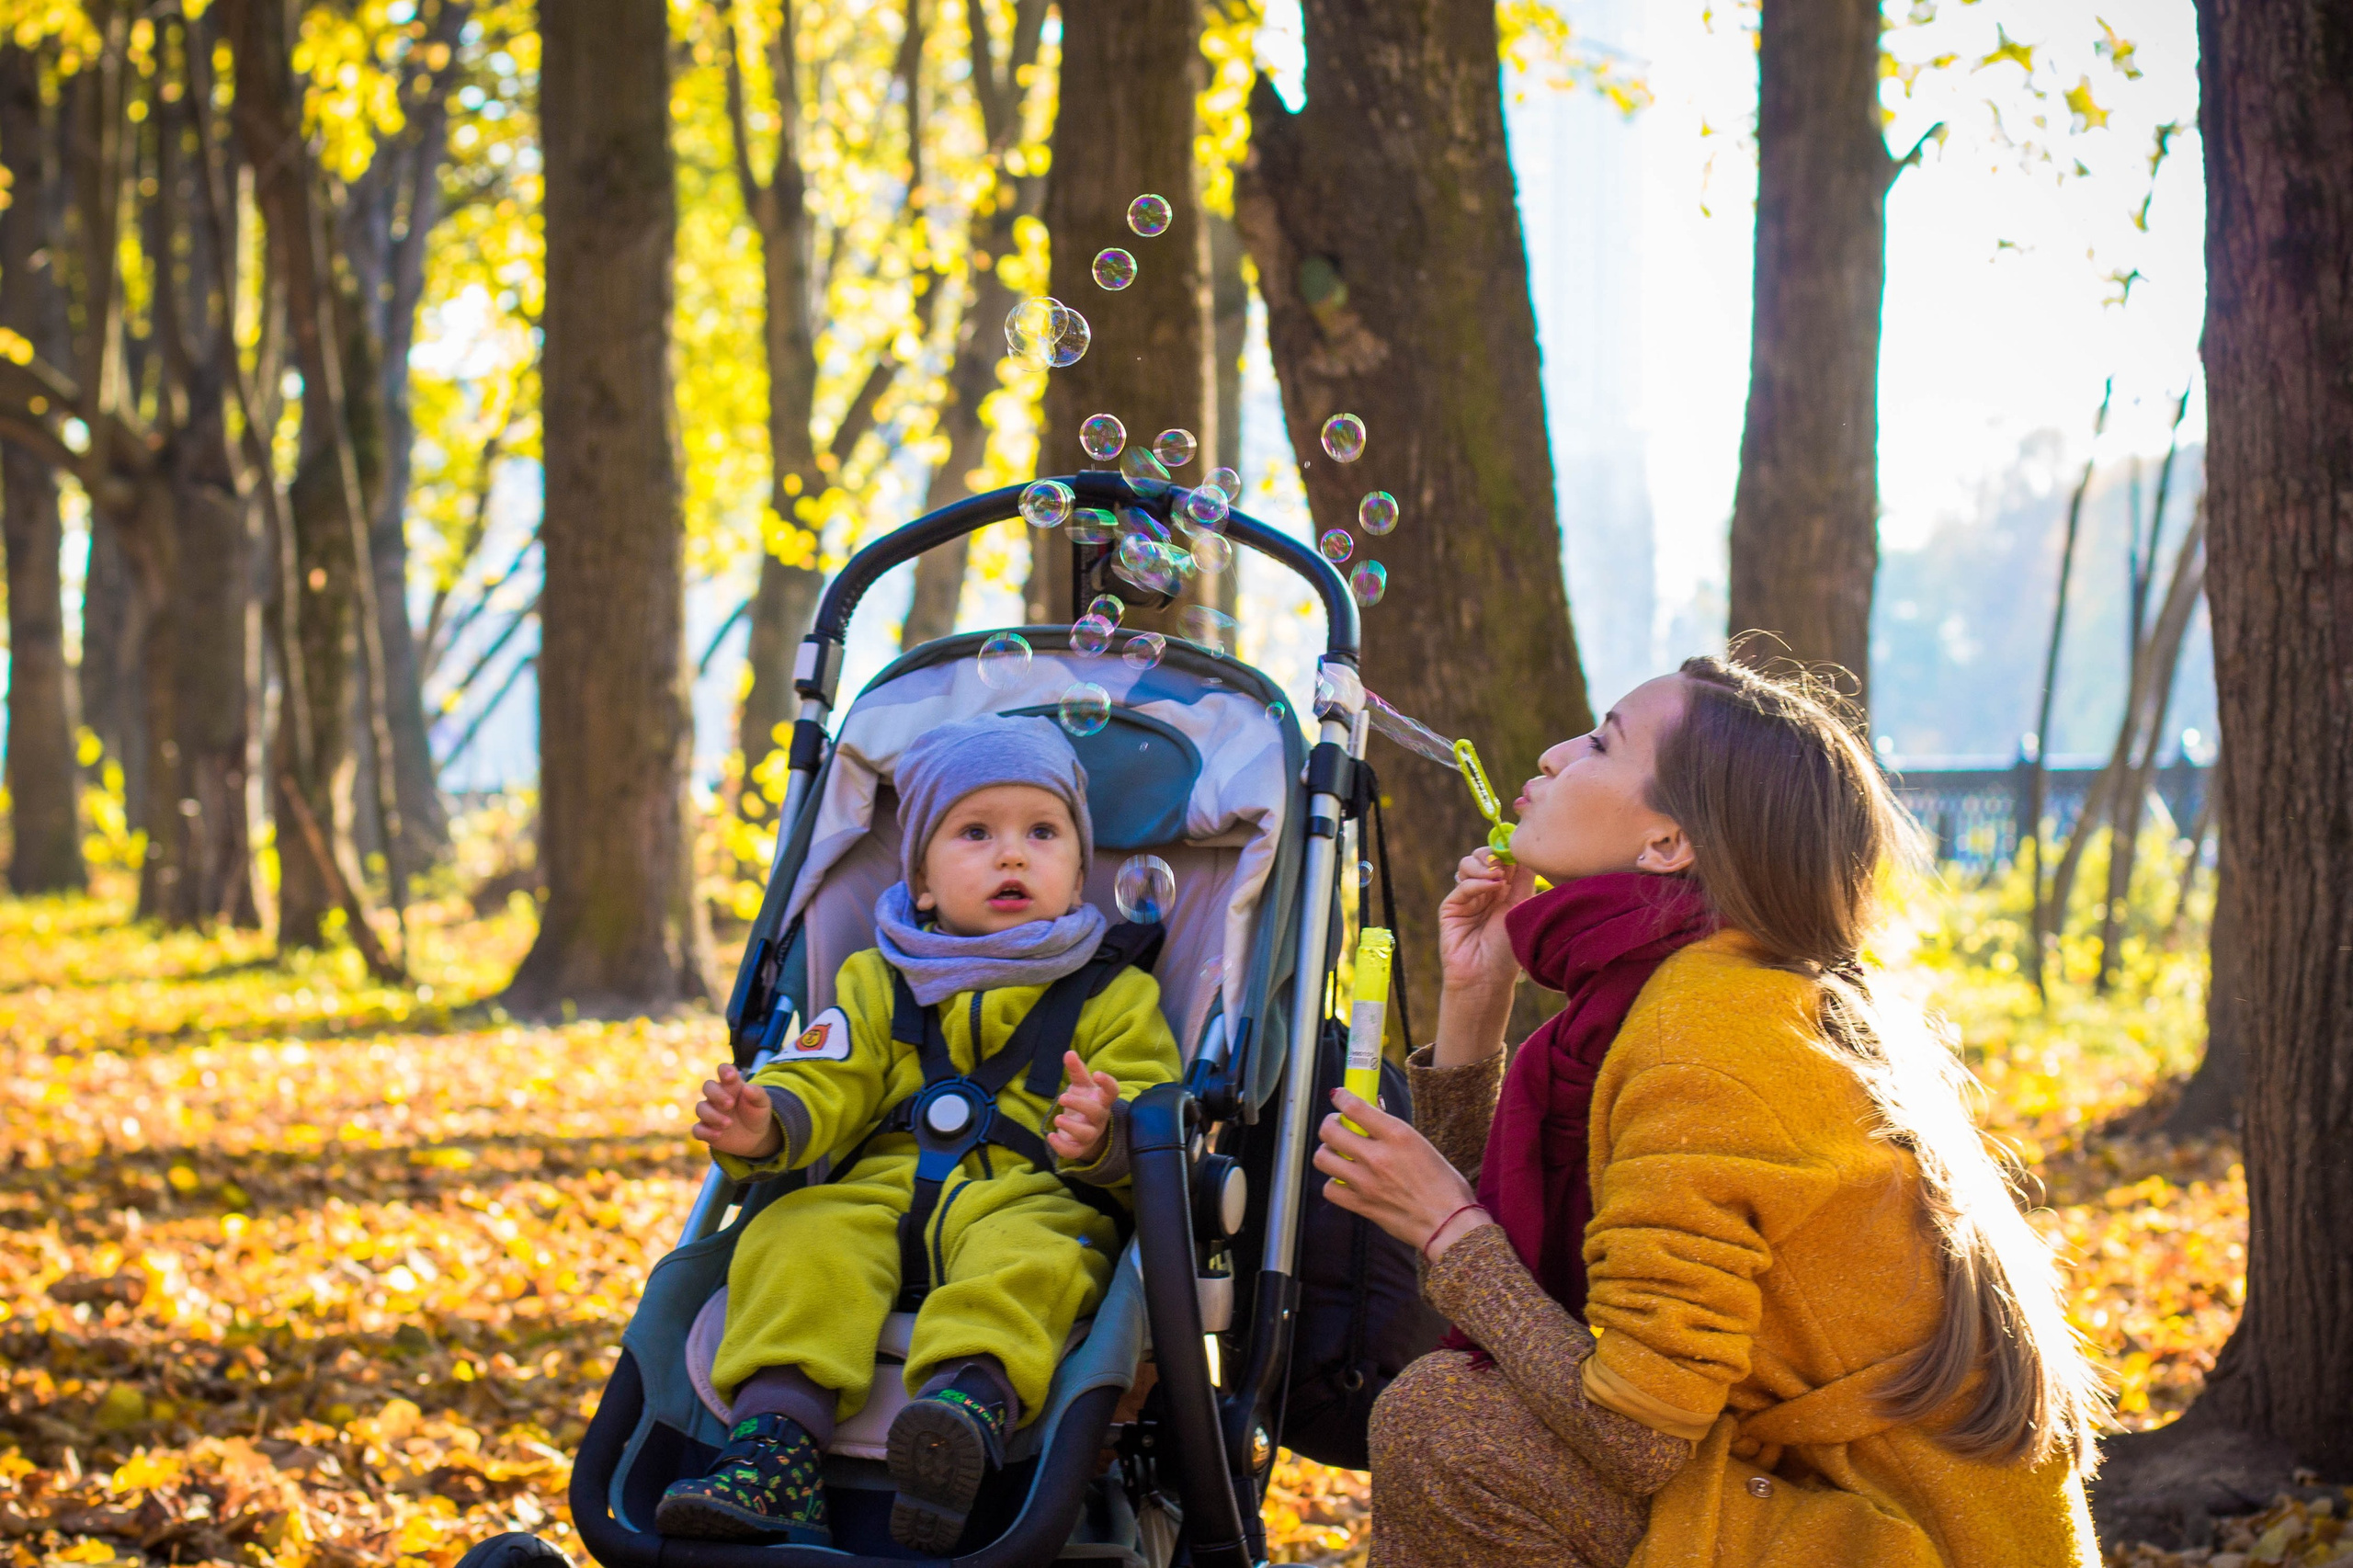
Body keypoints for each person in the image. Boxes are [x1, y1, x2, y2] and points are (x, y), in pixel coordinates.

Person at [1316, 656, 2109, 1568]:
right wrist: (1476, 993)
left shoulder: (1706, 1042)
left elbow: (1635, 1430)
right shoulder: (1701, 989)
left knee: (1444, 1426)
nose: (1553, 750)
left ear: (1666, 843)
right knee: (1457, 1406)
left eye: (1601, 740)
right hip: (1845, 1509)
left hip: (1914, 1538)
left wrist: (1450, 1230)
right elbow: (1537, 1288)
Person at [658, 716, 1181, 1552]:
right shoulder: (877, 979)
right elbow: (826, 1071)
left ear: (1080, 873)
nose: (1012, 855)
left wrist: (1105, 1131)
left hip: (1028, 1195)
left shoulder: (1113, 995)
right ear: (924, 881)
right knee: (796, 1233)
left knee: (1039, 1261)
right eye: (976, 833)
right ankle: (777, 1448)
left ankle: (963, 1413)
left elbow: (1153, 1108)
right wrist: (768, 1122)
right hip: (879, 1193)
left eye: (1041, 833)